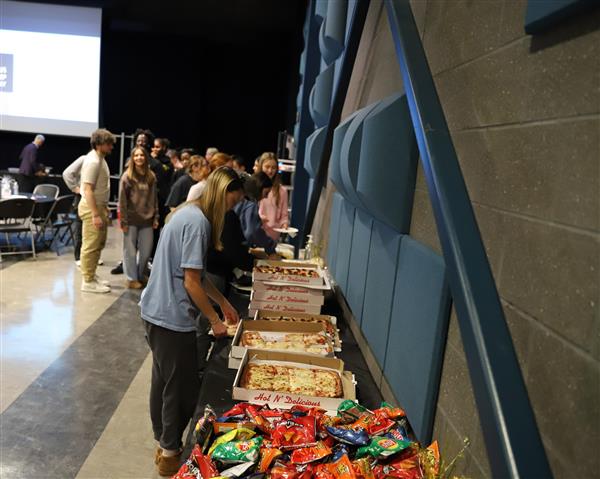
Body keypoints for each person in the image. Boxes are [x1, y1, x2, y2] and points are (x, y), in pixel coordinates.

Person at [139, 167, 243, 476]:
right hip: (171, 317)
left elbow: (195, 274)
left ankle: (163, 443)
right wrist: (215, 320)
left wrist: (222, 302)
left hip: (155, 312)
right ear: (222, 194)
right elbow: (191, 283)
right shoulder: (199, 223)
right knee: (181, 389)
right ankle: (170, 453)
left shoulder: (188, 213)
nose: (231, 209)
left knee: (163, 381)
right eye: (232, 202)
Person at [79, 129, 116, 293]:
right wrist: (95, 214)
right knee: (91, 245)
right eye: (109, 144)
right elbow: (88, 190)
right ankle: (87, 281)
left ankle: (92, 275)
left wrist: (104, 207)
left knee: (98, 243)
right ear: (99, 144)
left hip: (99, 206)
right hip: (91, 208)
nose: (111, 147)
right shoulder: (93, 161)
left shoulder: (99, 159)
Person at [118, 147, 159, 289]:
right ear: (132, 158)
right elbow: (122, 201)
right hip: (130, 219)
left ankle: (140, 275)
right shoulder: (127, 176)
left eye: (142, 155)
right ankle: (131, 279)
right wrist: (123, 221)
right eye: (136, 155)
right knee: (129, 251)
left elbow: (154, 198)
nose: (139, 158)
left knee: (146, 252)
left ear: (146, 157)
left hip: (147, 219)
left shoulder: (151, 176)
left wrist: (156, 217)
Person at [63, 156, 105, 267]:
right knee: (81, 228)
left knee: (95, 230)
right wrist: (75, 188)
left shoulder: (102, 162)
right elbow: (67, 173)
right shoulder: (85, 159)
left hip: (97, 199)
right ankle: (79, 257)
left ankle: (93, 257)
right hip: (83, 198)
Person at [233, 172, 279, 258]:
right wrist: (270, 247)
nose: (266, 197)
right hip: (238, 249)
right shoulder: (251, 204)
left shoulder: (242, 199)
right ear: (259, 188)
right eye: (266, 193)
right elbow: (253, 231)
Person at [258, 152, 288, 240]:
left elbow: (284, 215)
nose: (270, 171)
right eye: (267, 167)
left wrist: (284, 224)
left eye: (273, 168)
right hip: (256, 232)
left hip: (273, 236)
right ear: (261, 167)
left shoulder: (282, 191)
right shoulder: (254, 186)